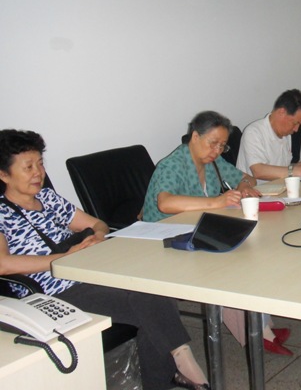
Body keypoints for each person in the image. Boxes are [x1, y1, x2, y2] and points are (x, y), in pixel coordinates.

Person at [0, 129, 210, 390]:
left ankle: (166, 376)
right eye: (28, 167)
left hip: (88, 271)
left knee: (152, 292)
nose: (38, 173)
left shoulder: (48, 198)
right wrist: (63, 257)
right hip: (53, 291)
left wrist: (97, 236)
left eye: (40, 164)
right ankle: (183, 362)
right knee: (148, 303)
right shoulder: (2, 213)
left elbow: (97, 224)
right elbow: (3, 264)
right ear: (4, 174)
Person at [142, 111, 293, 356]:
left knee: (248, 251)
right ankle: (257, 333)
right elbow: (165, 203)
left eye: (223, 146)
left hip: (195, 233)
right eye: (213, 143)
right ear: (194, 137)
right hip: (163, 241)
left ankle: (262, 325)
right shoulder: (172, 164)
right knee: (228, 267)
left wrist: (244, 187)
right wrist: (217, 202)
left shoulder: (213, 162)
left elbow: (248, 178)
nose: (217, 150)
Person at [237, 89, 301, 180]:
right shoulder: (253, 132)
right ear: (281, 112)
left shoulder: (286, 134)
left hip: (281, 186)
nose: (296, 129)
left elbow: (282, 168)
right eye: (295, 123)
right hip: (256, 188)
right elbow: (258, 171)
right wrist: (298, 170)